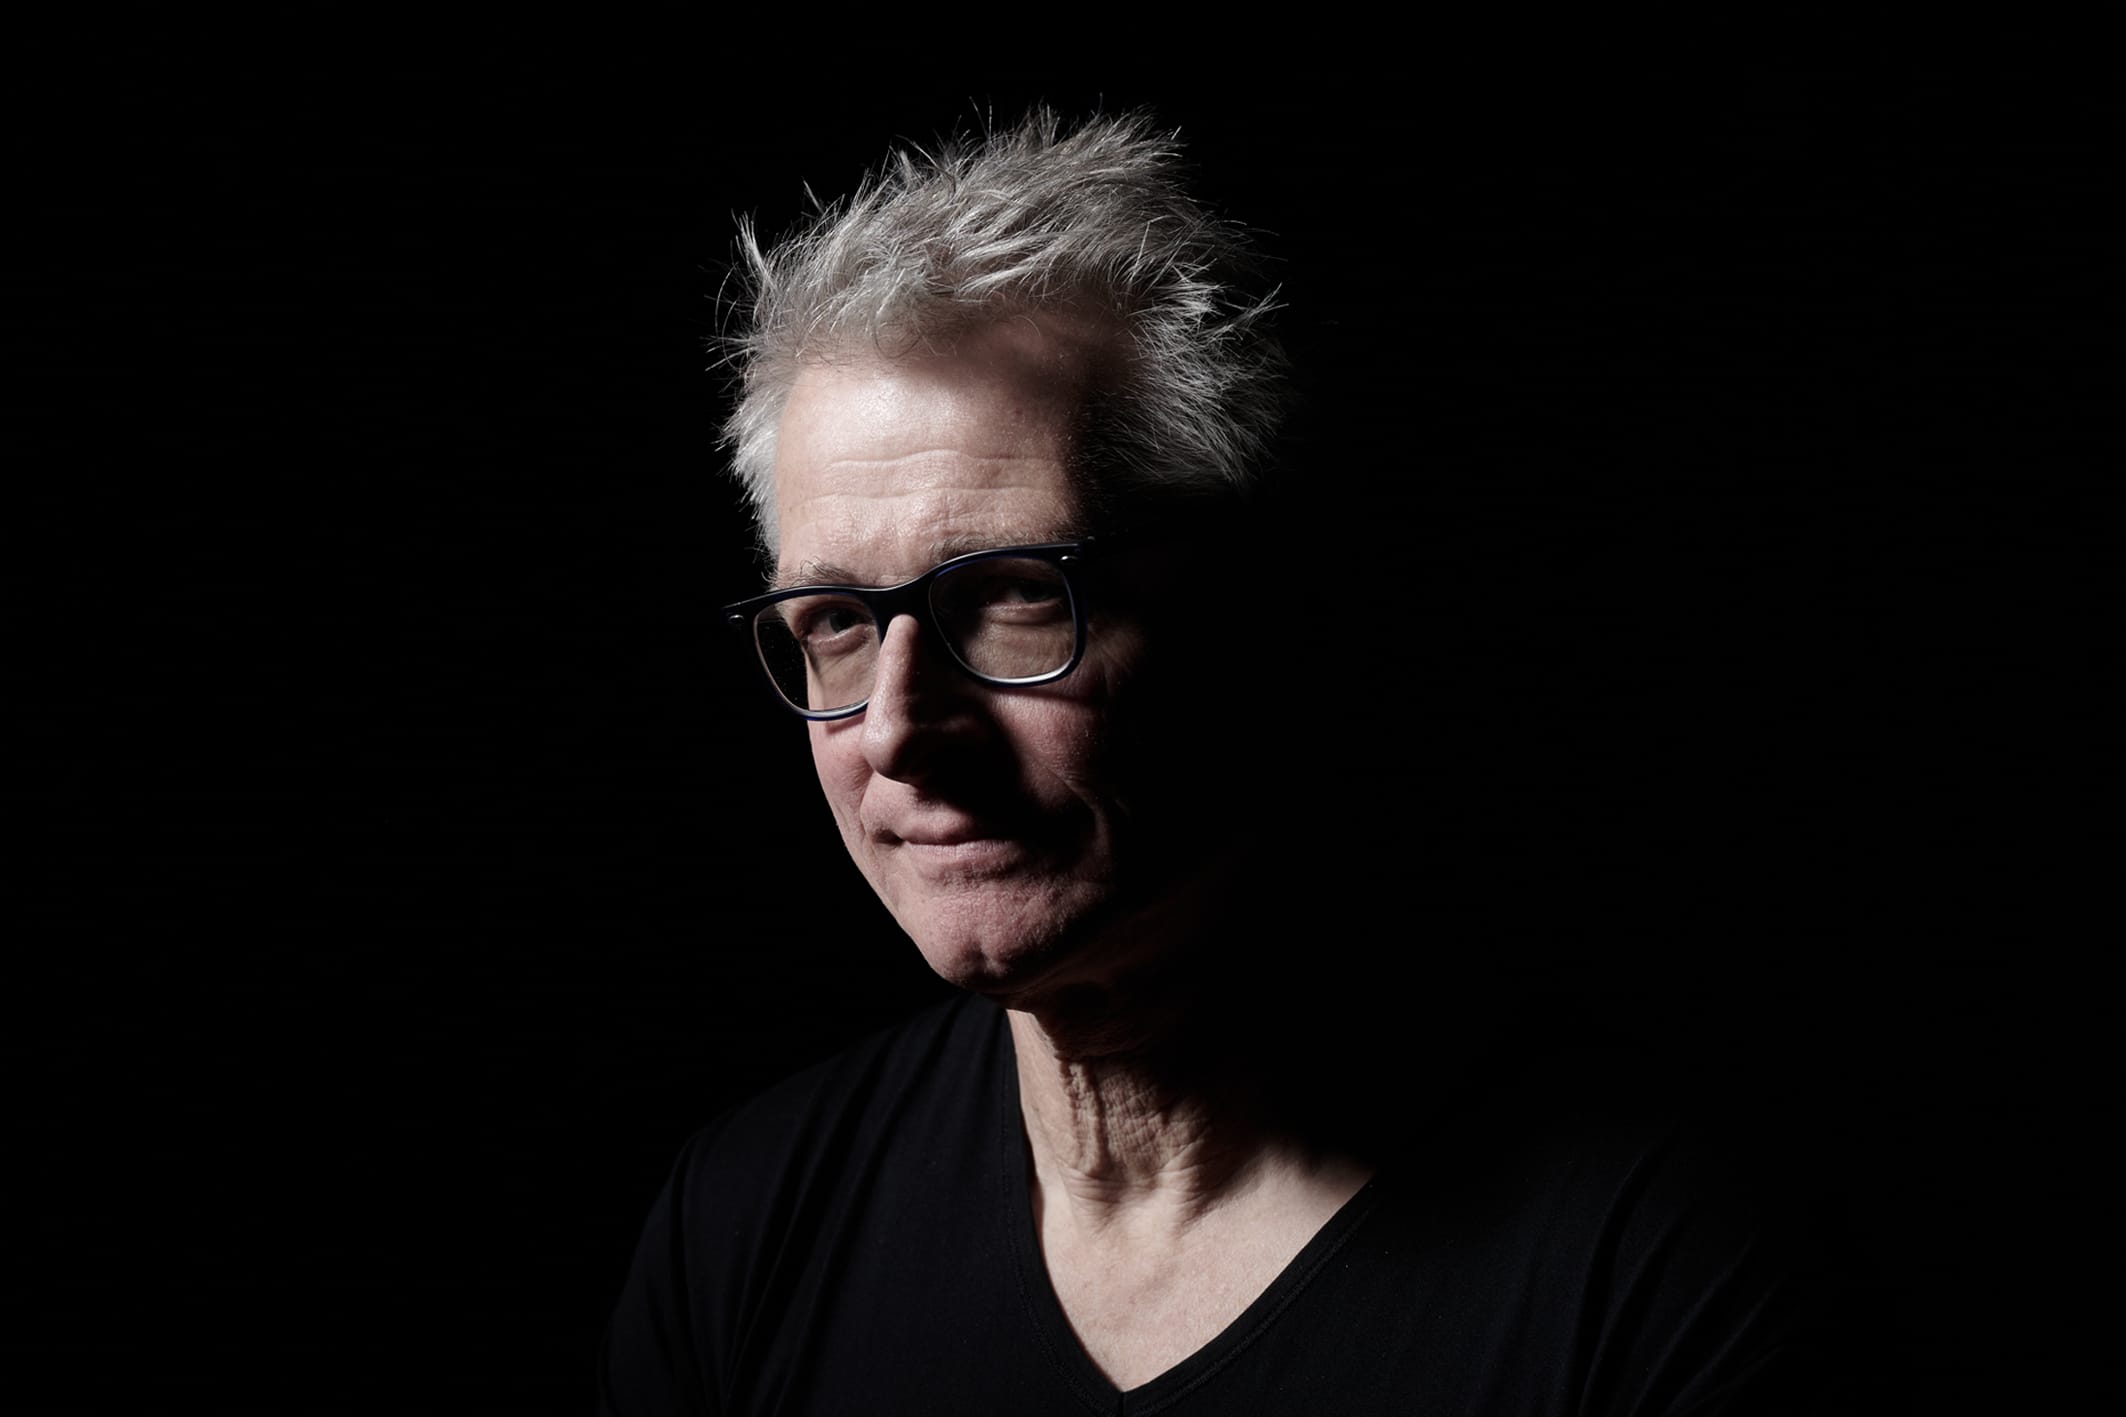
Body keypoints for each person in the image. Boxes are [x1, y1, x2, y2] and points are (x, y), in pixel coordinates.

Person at [600, 110, 1859, 1415]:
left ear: (1257, 612)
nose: (898, 731)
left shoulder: (1669, 1267)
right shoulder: (742, 1226)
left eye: (1013, 596)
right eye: (836, 623)